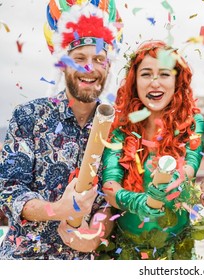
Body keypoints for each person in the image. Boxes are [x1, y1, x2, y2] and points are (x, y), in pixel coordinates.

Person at [0, 1, 123, 259]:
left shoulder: (116, 128)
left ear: (108, 66)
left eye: (99, 59)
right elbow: (9, 190)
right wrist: (57, 209)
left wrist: (95, 238)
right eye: (79, 58)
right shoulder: (28, 117)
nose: (88, 68)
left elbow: (111, 204)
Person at [97, 40, 204, 260]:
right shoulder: (120, 127)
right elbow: (110, 185)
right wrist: (141, 203)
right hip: (124, 252)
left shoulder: (193, 123)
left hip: (175, 252)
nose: (155, 83)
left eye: (164, 74)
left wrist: (173, 180)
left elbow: (190, 167)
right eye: (146, 74)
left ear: (177, 80)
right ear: (134, 81)